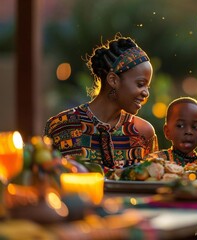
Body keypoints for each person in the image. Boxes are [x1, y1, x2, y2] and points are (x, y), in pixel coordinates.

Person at [44, 33, 158, 173]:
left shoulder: (143, 133)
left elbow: (152, 182)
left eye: (148, 87)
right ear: (113, 80)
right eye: (141, 84)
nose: (146, 93)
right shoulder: (62, 126)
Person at [144, 97, 197, 167]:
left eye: (195, 127)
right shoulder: (156, 161)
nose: (188, 132)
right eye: (180, 126)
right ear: (167, 131)